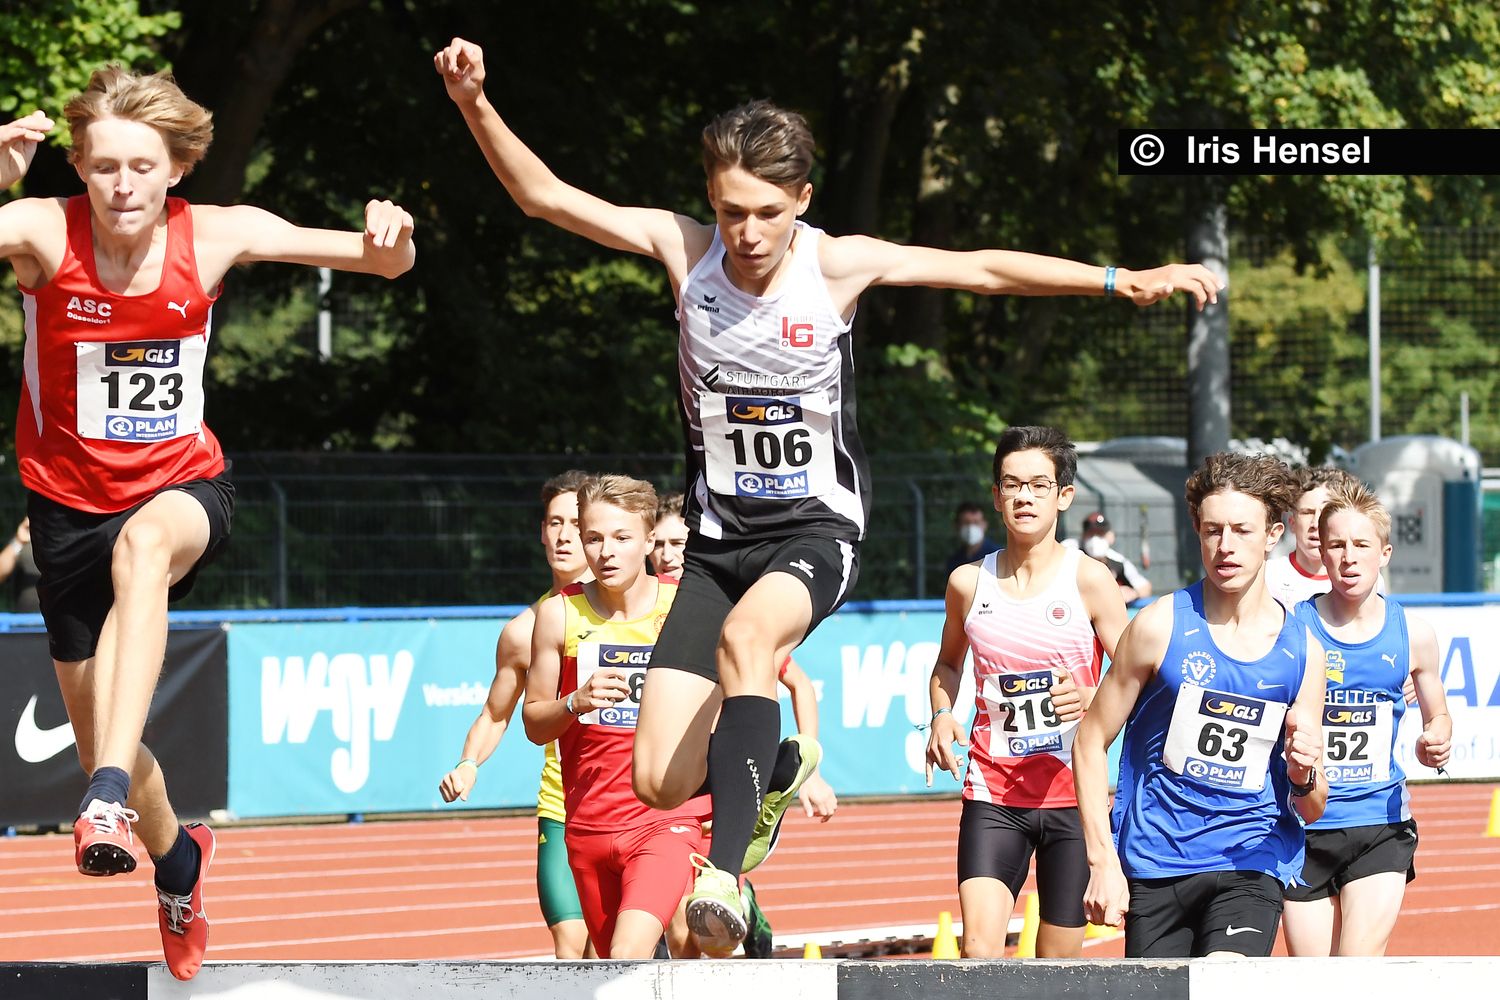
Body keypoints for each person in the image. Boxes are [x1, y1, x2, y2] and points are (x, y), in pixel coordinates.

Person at [434, 37, 1222, 952]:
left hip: (816, 530)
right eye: (730, 212)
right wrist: (473, 101)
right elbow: (545, 197)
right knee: (655, 779)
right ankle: (771, 764)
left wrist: (1119, 280)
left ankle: (723, 876)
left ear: (802, 200)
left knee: (749, 642)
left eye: (768, 213)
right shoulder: (683, 252)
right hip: (719, 541)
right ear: (709, 202)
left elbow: (982, 267)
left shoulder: (837, 265)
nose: (748, 235)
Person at [0, 69, 414, 981]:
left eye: (142, 167)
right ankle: (178, 860)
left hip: (183, 486)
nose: (123, 187)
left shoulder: (219, 233)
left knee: (146, 548)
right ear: (79, 167)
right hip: (67, 510)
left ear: (177, 169)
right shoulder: (39, 229)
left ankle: (106, 797)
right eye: (104, 167)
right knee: (98, 733)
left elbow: (383, 263)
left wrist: (394, 236)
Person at [1073, 452, 1327, 958]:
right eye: (1213, 530)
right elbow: (1090, 739)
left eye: (1242, 530)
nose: (1225, 546)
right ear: (1198, 530)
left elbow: (1314, 805)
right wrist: (1102, 861)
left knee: (1226, 984)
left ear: (1273, 535)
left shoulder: (1303, 651)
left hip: (1251, 860)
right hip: (1157, 860)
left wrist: (1303, 774)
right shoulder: (1158, 626)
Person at [925, 426, 1128, 958]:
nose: (1024, 497)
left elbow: (1135, 678)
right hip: (994, 793)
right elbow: (948, 664)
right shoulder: (967, 583)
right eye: (1012, 485)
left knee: (1056, 967)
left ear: (1064, 495)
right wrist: (942, 714)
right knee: (978, 954)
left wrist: (1092, 698)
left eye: (1039, 485)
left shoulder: (1091, 580)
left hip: (1073, 796)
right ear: (996, 496)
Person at [523, 474, 708, 959]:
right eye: (594, 538)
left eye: (622, 538)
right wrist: (574, 702)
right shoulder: (559, 615)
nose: (606, 552)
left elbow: (730, 701)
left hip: (663, 820)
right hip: (588, 826)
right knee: (613, 972)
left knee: (630, 953)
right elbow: (534, 722)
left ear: (649, 540)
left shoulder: (685, 606)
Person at [653, 491, 836, 959]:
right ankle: (742, 899)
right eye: (659, 544)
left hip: (725, 768)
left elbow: (798, 684)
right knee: (675, 923)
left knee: (696, 928)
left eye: (678, 543)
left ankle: (742, 901)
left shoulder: (730, 610)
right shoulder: (645, 608)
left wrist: (813, 773)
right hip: (675, 766)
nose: (668, 555)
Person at [1282, 481, 1452, 956]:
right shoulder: (1292, 629)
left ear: (1385, 553)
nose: (1349, 558)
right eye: (1336, 545)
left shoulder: (1414, 634)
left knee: (1356, 970)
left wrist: (1436, 738)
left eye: (1361, 545)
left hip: (1379, 824)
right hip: (1303, 828)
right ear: (1322, 552)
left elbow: (1438, 714)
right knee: (1310, 981)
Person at [436, 470, 594, 959]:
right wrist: (468, 763)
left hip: (632, 803)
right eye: (554, 523)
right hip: (561, 808)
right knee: (572, 947)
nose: (563, 535)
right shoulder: (522, 631)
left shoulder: (642, 611)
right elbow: (495, 713)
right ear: (541, 531)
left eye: (575, 524)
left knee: (623, 949)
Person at [1264, 466, 1362, 609]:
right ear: (1292, 523)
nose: (1315, 523)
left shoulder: (1361, 578)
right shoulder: (1268, 576)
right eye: (1307, 513)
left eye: (1325, 513)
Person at [1079, 511, 1152, 603]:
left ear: (1110, 536)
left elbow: (1145, 587)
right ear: (1083, 536)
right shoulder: (1074, 556)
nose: (1095, 539)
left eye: (1100, 534)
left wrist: (1132, 593)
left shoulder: (1118, 561)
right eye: (1091, 534)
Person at [943, 501, 1002, 577]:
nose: (971, 527)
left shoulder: (998, 557)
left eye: (976, 522)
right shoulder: (954, 561)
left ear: (985, 524)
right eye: (966, 523)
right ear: (957, 526)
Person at [0, 516, 42, 611]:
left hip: (61, 617)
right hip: (24, 618)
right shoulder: (23, 541)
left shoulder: (69, 540)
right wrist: (18, 541)